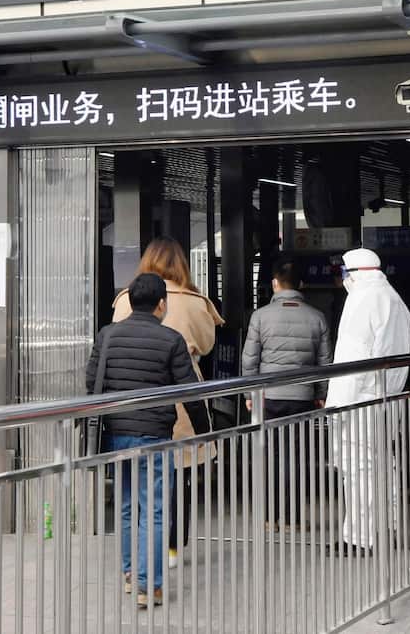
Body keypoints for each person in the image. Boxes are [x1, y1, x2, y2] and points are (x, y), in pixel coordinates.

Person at [87, 273, 209, 610]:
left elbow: (90, 380)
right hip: (154, 434)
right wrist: (205, 431)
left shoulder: (107, 335)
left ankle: (130, 574)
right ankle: (148, 585)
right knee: (155, 511)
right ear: (161, 304)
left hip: (117, 433)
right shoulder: (171, 340)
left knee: (127, 505)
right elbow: (190, 392)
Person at [112, 237, 223, 568]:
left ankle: (137, 555)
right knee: (180, 471)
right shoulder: (193, 301)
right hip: (181, 396)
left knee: (137, 477)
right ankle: (173, 546)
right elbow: (206, 344)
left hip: (135, 396)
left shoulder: (123, 301)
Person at [325, 247, 410, 555]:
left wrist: (336, 409)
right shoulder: (394, 299)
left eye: (344, 272)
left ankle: (358, 537)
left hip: (360, 401)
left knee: (357, 469)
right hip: (388, 400)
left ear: (355, 273)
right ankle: (388, 528)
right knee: (382, 467)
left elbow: (351, 360)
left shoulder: (361, 300)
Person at [240, 255, 331, 524]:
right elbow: (324, 363)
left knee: (269, 454)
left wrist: (249, 395)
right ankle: (291, 517)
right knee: (295, 456)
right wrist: (320, 394)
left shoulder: (260, 317)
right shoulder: (317, 318)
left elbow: (249, 360)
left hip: (269, 397)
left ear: (274, 283)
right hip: (302, 397)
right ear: (301, 284)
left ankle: (270, 517)